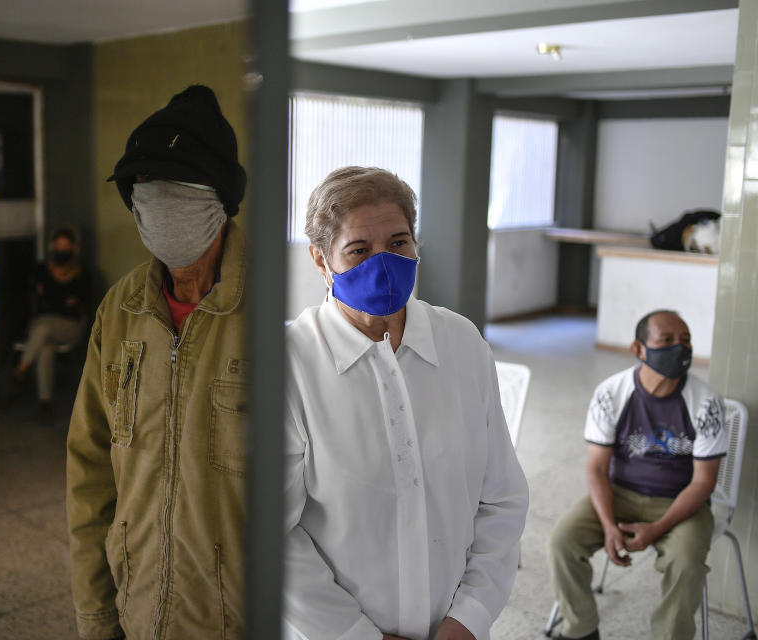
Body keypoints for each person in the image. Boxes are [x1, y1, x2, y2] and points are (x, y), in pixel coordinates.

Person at [283, 167, 528, 640]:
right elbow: (272, 531)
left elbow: (502, 498)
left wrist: (470, 617)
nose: (384, 262)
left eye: (399, 243)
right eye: (359, 250)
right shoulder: (290, 362)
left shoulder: (461, 342)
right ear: (320, 260)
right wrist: (356, 634)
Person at [66, 85, 248, 640]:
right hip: (138, 609)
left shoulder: (276, 317)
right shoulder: (120, 311)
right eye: (142, 186)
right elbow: (90, 474)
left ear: (217, 198)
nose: (155, 199)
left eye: (175, 185)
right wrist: (98, 616)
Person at [547, 310, 727, 640]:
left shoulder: (707, 403)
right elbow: (597, 469)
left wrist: (657, 528)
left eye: (685, 340)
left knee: (686, 565)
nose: (680, 348)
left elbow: (704, 482)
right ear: (638, 349)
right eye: (667, 341)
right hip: (620, 494)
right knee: (562, 542)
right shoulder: (610, 393)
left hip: (681, 502)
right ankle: (581, 630)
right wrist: (608, 525)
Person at [14, 227, 91, 415]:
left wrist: (50, 298)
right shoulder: (40, 270)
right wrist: (62, 300)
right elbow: (39, 300)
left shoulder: (82, 274)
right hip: (40, 323)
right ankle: (45, 401)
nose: (61, 251)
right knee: (46, 346)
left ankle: (19, 371)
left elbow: (75, 303)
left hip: (69, 326)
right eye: (58, 246)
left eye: (66, 246)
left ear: (74, 248)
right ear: (51, 247)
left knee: (45, 327)